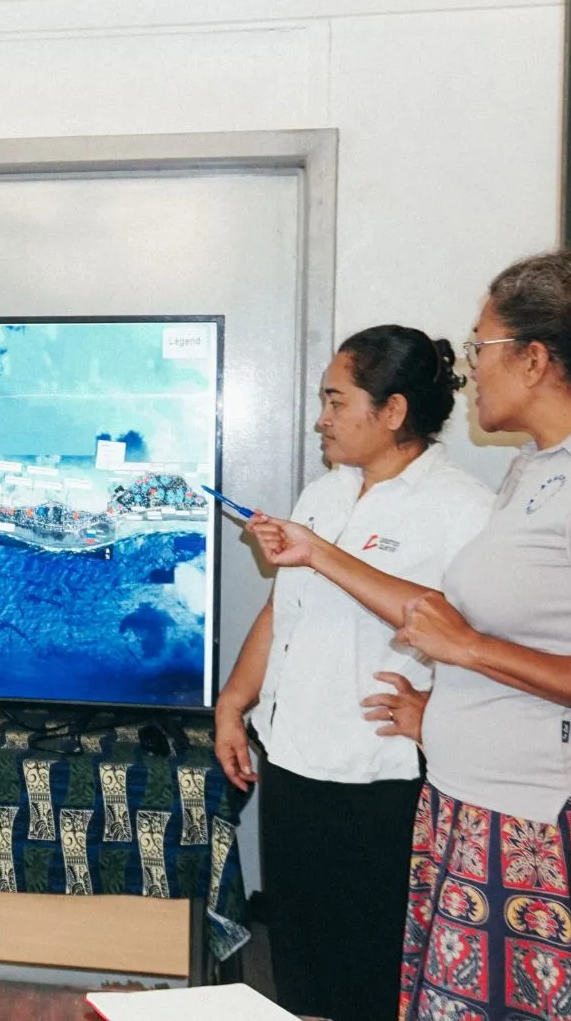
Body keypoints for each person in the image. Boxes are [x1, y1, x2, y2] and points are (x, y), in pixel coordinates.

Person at [248, 252, 571, 1021]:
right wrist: (446, 701)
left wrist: (467, 653)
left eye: (480, 346)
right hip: (486, 812)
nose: (468, 367)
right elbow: (485, 629)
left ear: (535, 359)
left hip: (560, 831)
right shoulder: (539, 472)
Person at [214, 325, 493, 1021]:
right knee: (299, 969)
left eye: (336, 402)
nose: (322, 420)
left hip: (379, 782)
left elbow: (463, 629)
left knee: (370, 976)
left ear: (393, 411)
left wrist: (435, 706)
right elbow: (285, 613)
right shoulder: (325, 494)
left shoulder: (463, 510)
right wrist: (234, 703)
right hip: (295, 767)